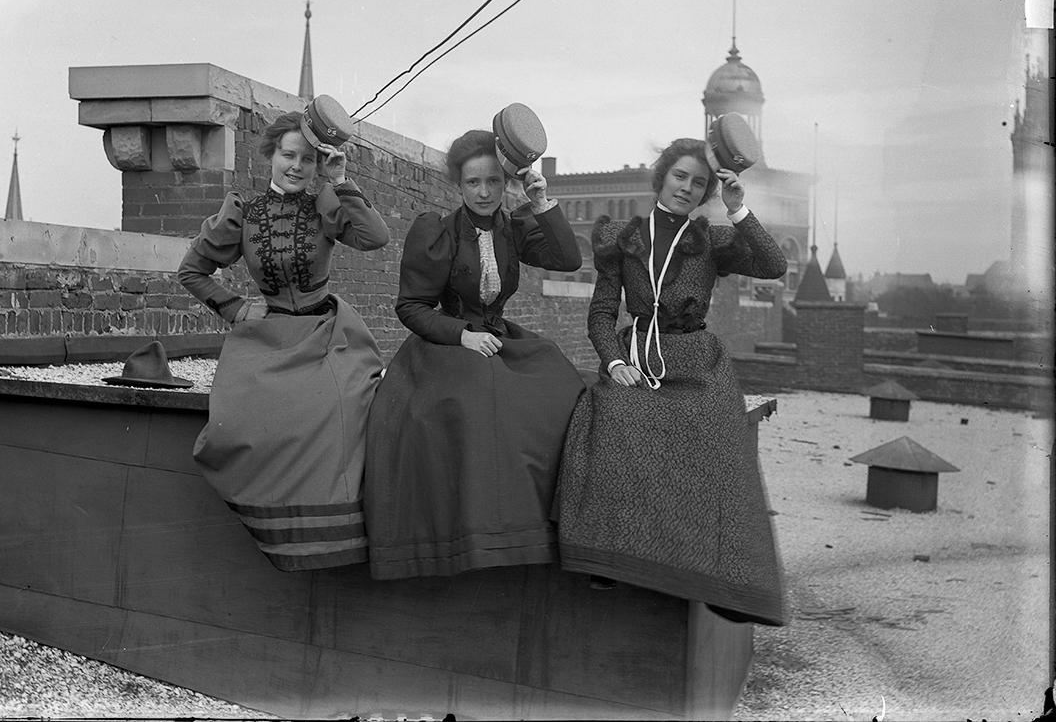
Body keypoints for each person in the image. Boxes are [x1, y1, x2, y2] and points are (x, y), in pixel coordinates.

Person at [553, 137, 789, 625]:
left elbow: (774, 265)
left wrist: (739, 209)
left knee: (717, 429)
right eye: (680, 176)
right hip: (637, 352)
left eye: (698, 182)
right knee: (615, 413)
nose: (687, 187)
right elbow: (601, 313)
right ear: (661, 177)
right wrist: (615, 363)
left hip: (697, 359)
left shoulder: (711, 239)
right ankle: (611, 555)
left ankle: (721, 574)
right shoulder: (621, 235)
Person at [178, 98, 390, 571]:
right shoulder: (243, 211)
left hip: (327, 333)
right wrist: (234, 309)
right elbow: (192, 270)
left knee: (343, 407)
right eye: (289, 155)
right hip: (266, 337)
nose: (297, 166)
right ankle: (275, 525)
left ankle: (340, 531)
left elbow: (375, 237)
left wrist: (339, 181)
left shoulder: (325, 203)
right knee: (236, 424)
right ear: (271, 154)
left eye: (308, 158)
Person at [364, 128, 585, 580]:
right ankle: (475, 532)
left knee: (561, 388)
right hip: (446, 344)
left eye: (493, 182)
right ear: (458, 185)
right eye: (472, 183)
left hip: (500, 336)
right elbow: (410, 307)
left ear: (506, 184)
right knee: (477, 400)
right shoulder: (437, 231)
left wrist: (542, 202)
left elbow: (568, 260)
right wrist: (462, 335)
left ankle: (540, 524)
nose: (484, 193)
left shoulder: (516, 227)